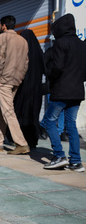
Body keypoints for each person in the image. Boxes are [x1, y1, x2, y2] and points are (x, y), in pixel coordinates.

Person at [42, 13, 86, 172]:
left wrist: (50, 77)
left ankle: (59, 155)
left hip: (61, 91)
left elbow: (57, 67)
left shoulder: (60, 43)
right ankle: (76, 161)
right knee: (71, 125)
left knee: (48, 121)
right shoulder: (82, 45)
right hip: (77, 92)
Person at [0, 15, 30, 155]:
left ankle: (21, 143)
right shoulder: (23, 40)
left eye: (0, 25)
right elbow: (26, 63)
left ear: (4, 26)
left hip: (4, 80)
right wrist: (20, 77)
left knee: (8, 111)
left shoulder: (2, 37)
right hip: (16, 80)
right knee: (4, 110)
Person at [11, 29, 46, 149]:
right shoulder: (39, 52)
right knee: (34, 114)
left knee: (20, 112)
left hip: (23, 88)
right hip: (36, 89)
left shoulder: (22, 51)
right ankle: (33, 140)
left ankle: (20, 139)